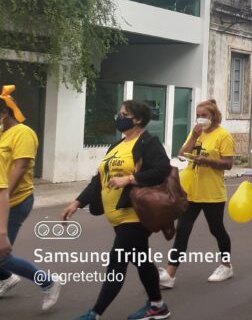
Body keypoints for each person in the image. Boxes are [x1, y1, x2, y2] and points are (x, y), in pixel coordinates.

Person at [63, 100, 171, 320]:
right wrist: (77, 202)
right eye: (119, 113)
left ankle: (95, 313)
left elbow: (162, 170)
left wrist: (131, 178)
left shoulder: (147, 142)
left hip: (134, 215)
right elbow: (99, 179)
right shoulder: (117, 145)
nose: (118, 117)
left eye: (123, 114)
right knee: (142, 261)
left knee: (117, 260)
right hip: (117, 216)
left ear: (137, 119)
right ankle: (158, 306)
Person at [160, 99, 234, 289]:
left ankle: (226, 265)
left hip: (212, 193)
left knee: (216, 230)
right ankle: (170, 274)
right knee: (182, 231)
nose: (200, 119)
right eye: (198, 115)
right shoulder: (197, 133)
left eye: (204, 116)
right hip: (191, 191)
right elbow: (182, 153)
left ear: (214, 116)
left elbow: (228, 163)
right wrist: (193, 137)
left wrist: (208, 161)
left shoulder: (223, 136)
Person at [0, 86, 60, 310]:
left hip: (14, 201)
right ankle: (7, 277)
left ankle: (48, 282)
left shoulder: (23, 133)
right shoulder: (2, 132)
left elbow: (19, 168)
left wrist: (3, 197)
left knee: (2, 253)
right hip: (2, 197)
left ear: (5, 113)